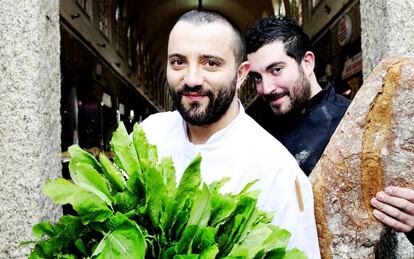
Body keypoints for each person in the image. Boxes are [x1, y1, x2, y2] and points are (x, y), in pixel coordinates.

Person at [140, 10, 321, 258]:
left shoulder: (276, 170)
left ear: (240, 74)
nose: (192, 79)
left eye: (210, 63)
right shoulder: (148, 135)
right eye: (178, 62)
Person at [245, 15, 413, 244]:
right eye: (256, 77)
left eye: (276, 70)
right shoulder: (258, 132)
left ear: (307, 63)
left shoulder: (355, 124)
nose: (266, 88)